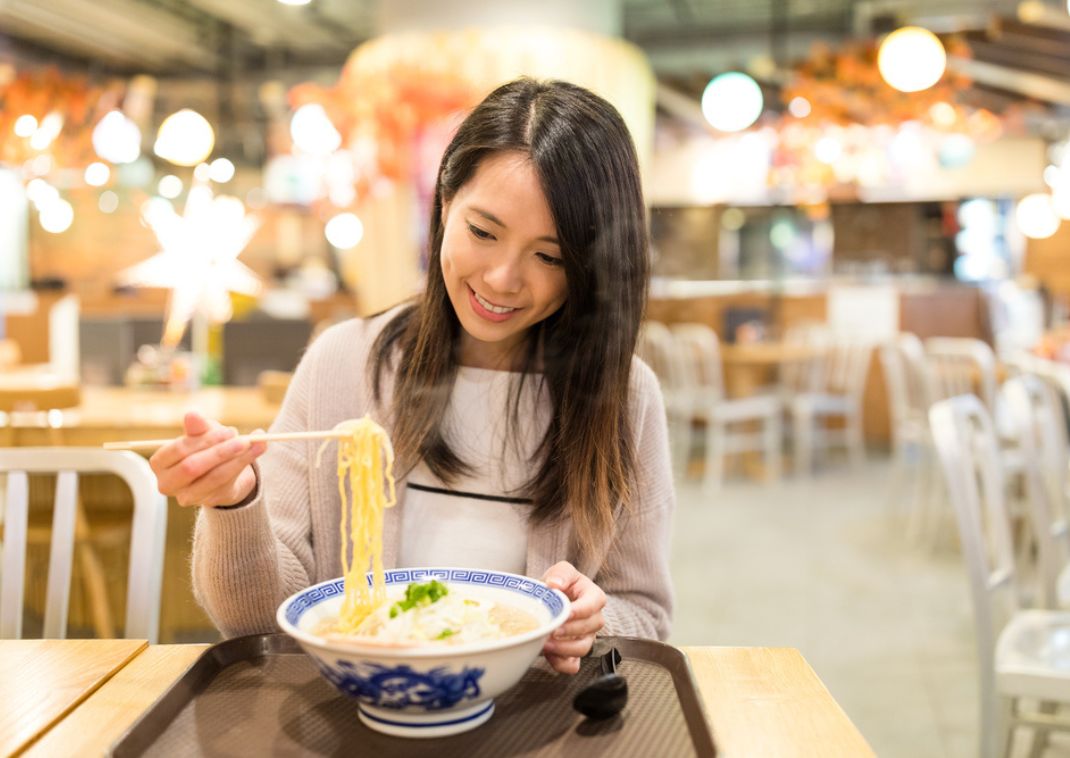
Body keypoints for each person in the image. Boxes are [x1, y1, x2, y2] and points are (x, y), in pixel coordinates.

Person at [150, 78, 674, 675]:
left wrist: (590, 624)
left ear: (591, 266)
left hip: (529, 718)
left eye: (549, 256)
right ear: (445, 204)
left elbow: (647, 614)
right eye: (482, 232)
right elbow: (257, 622)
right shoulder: (343, 364)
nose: (503, 279)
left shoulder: (624, 398)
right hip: (358, 711)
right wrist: (234, 501)